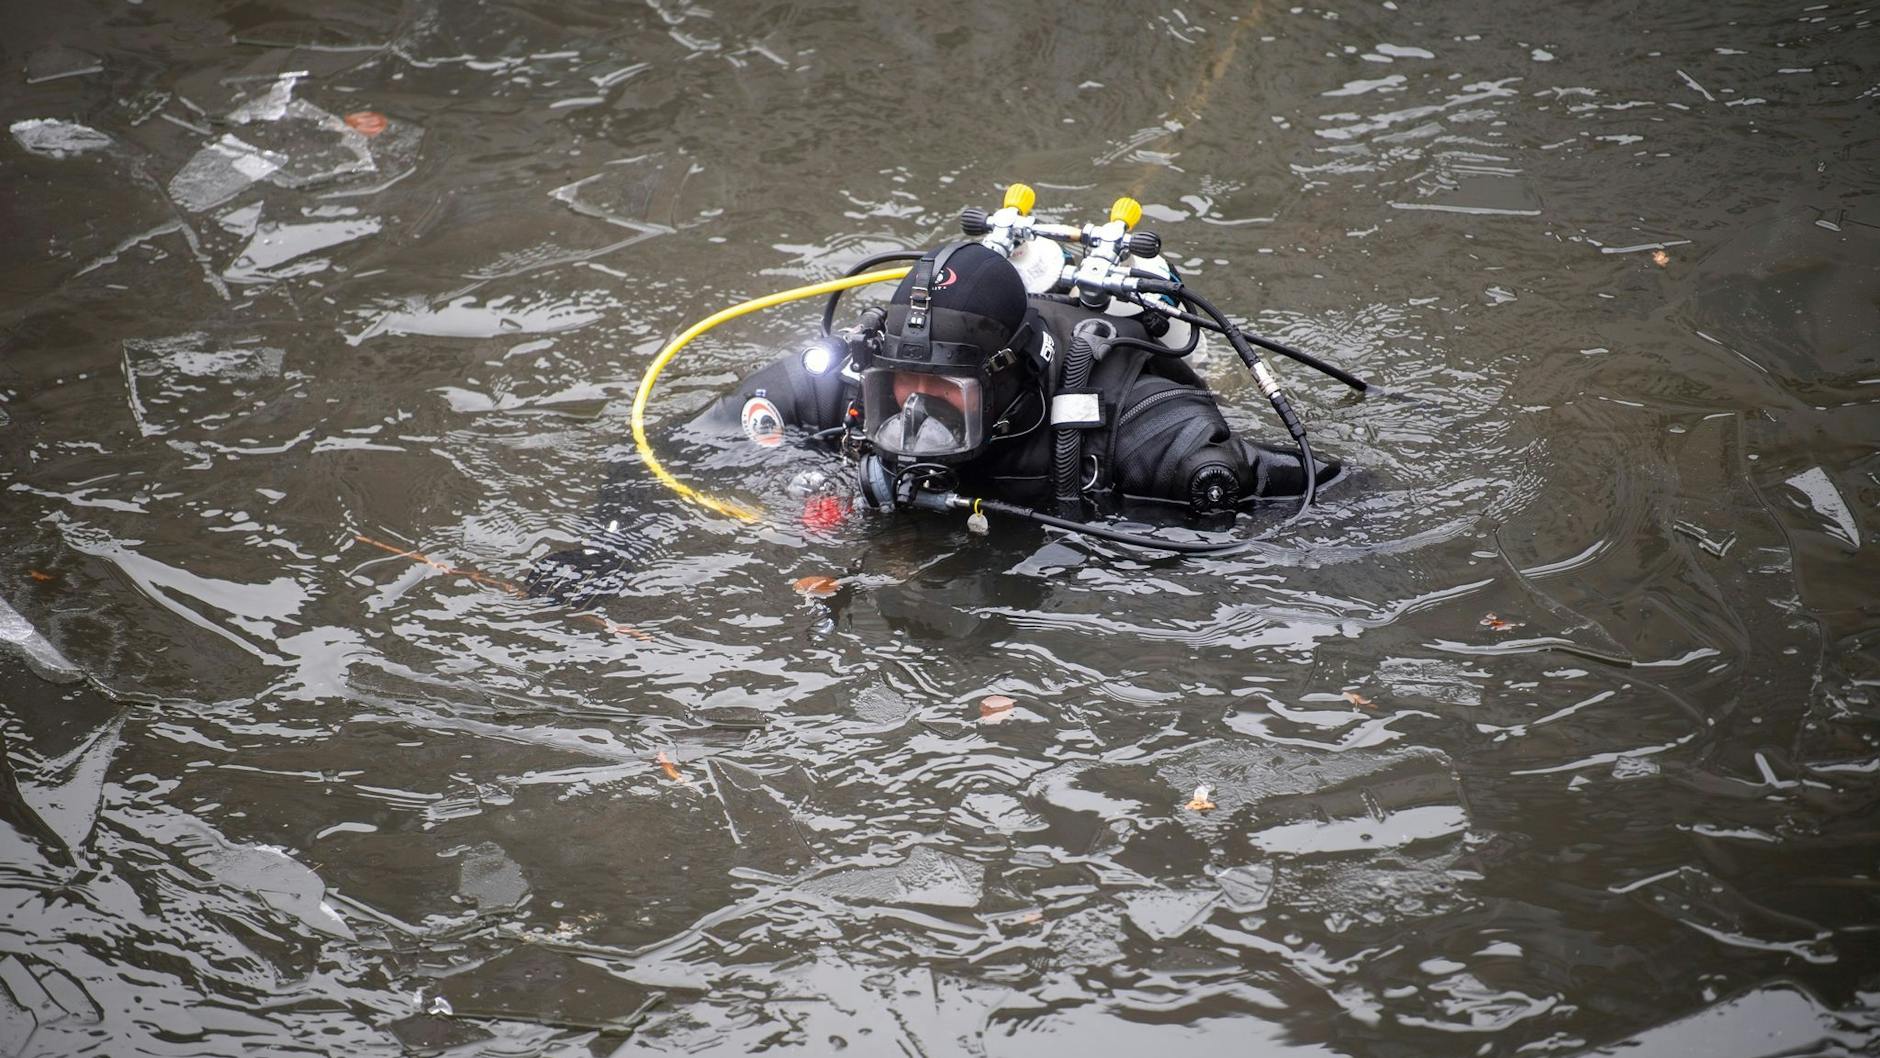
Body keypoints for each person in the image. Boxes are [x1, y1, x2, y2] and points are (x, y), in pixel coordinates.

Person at [691, 241, 1340, 514]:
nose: (912, 420)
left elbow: (1336, 493)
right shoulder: (848, 377)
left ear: (1008, 379)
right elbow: (682, 450)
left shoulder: (1142, 429)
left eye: (945, 400)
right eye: (896, 393)